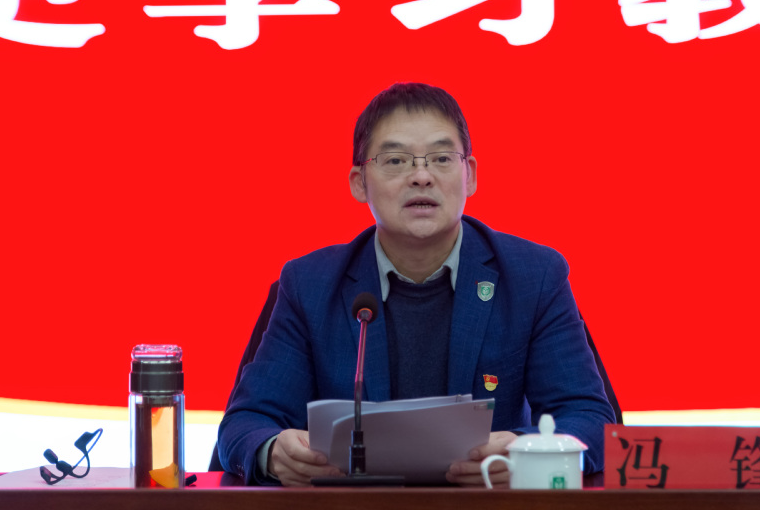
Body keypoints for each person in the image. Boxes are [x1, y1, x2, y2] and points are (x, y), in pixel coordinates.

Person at [217, 82, 615, 486]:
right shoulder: (310, 285)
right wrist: (273, 452)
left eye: (441, 158)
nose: (422, 177)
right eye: (395, 160)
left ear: (470, 175)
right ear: (359, 182)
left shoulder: (533, 277)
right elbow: (245, 424)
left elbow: (591, 420)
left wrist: (524, 454)